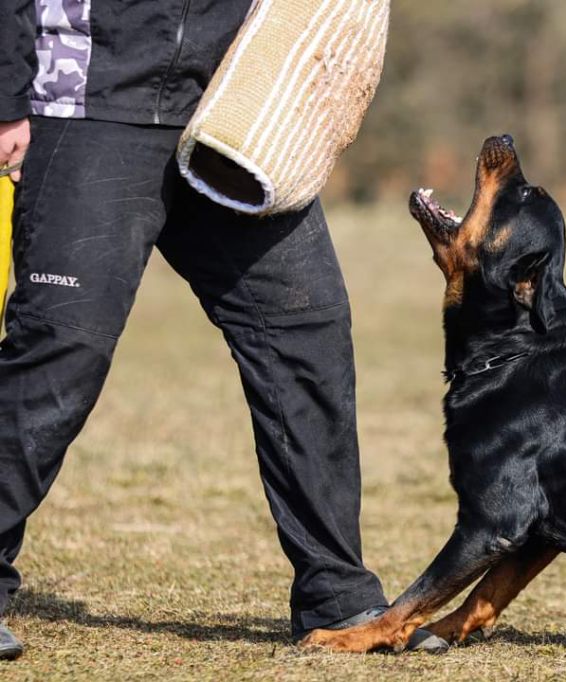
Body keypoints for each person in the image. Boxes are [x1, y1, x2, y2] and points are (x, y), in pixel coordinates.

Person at [0, 1, 443, 659]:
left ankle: (339, 598)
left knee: (306, 332)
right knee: (61, 349)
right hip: (89, 99)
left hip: (237, 108)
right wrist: (7, 92)